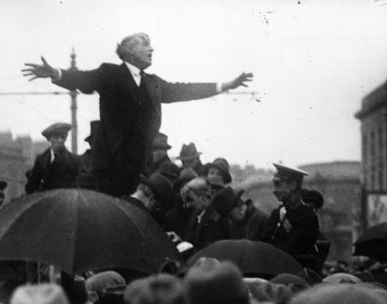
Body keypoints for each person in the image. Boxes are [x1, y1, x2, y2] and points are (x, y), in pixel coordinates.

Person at [22, 32, 253, 197]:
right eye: (146, 44)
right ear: (130, 51)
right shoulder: (110, 73)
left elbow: (185, 90)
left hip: (140, 166)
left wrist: (226, 85)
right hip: (110, 167)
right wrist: (56, 73)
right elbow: (84, 79)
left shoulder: (153, 83)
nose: (152, 49)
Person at [266, 164, 319, 268]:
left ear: (293, 185)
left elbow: (292, 249)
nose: (274, 190)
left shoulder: (307, 218)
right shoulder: (276, 214)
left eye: (278, 184)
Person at [25, 122, 82, 194]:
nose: (60, 140)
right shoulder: (41, 160)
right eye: (56, 137)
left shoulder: (74, 160)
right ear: (49, 139)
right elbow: (32, 185)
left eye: (63, 137)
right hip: (46, 201)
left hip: (66, 200)